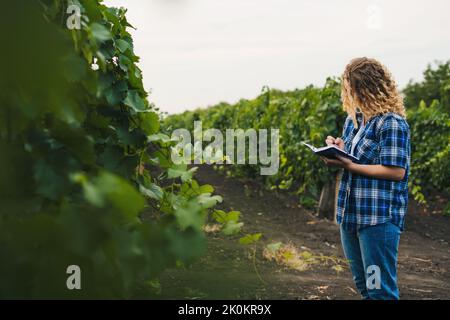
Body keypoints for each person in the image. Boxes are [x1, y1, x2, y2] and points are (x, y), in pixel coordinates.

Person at [321, 57, 411, 300]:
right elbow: (352, 157)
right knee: (364, 285)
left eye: (349, 87)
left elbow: (396, 171)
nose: (347, 93)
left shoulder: (392, 123)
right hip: (350, 214)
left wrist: (351, 165)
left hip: (377, 218)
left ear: (363, 87)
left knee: (379, 290)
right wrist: (338, 148)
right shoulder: (354, 121)